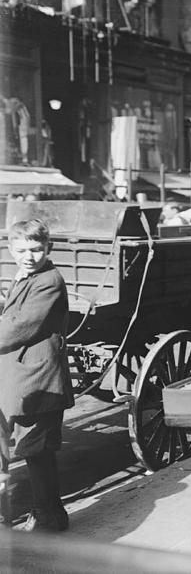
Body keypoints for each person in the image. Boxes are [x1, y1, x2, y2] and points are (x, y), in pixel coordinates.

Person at [0, 219, 73, 531]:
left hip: (39, 377)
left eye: (35, 249)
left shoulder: (48, 281)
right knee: (27, 447)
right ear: (10, 249)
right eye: (21, 250)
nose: (28, 256)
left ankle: (50, 518)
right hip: (20, 374)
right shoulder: (25, 275)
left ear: (48, 249)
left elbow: (19, 325)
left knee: (37, 449)